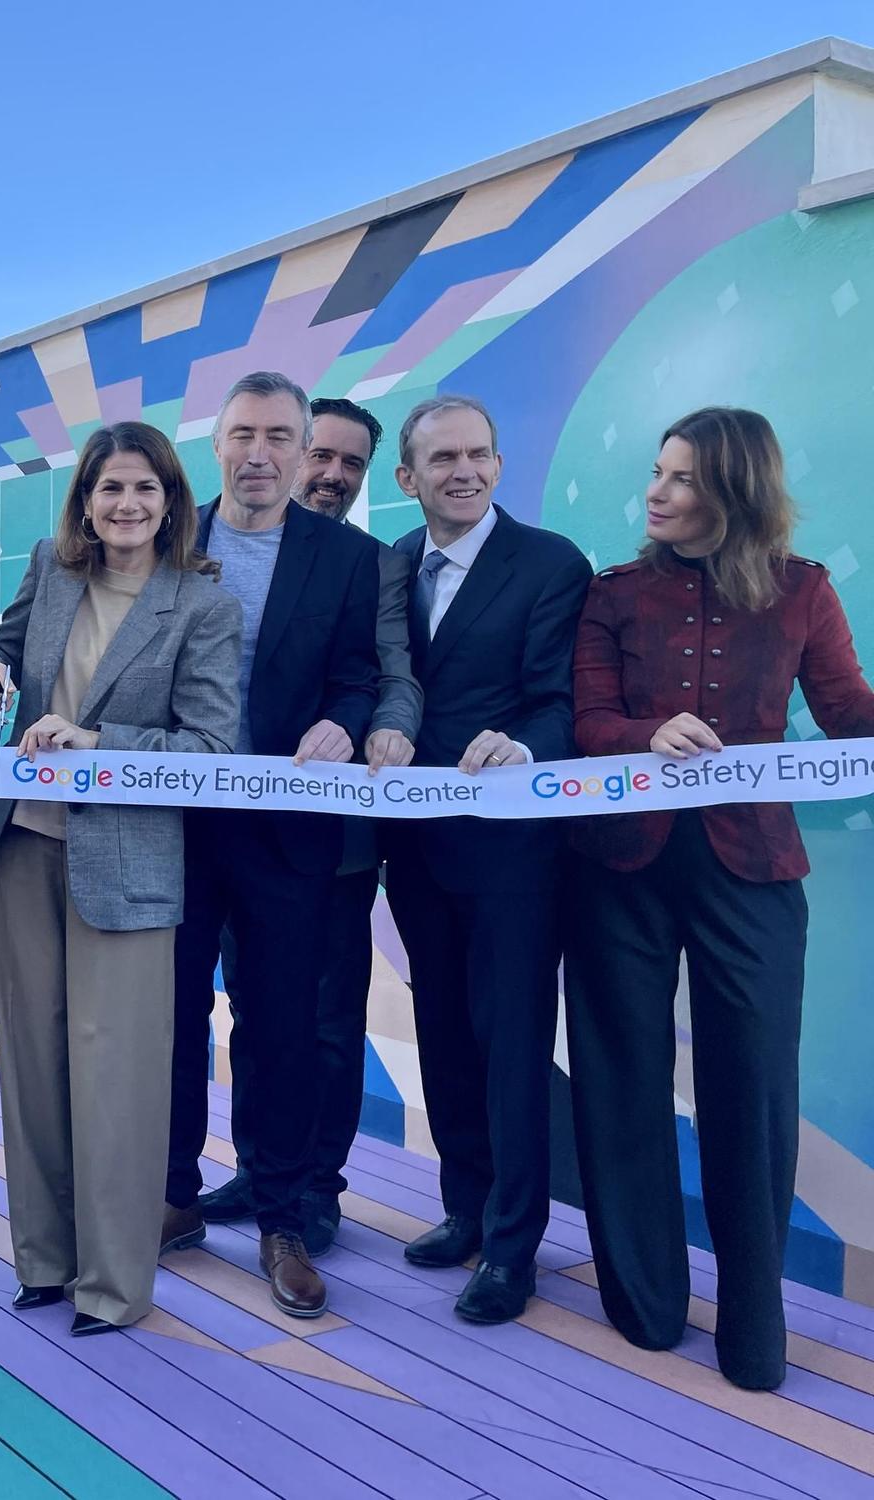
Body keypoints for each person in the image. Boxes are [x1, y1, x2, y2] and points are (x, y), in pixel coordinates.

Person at [565, 408, 874, 1390]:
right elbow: (586, 719)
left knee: (751, 1092)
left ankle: (752, 1325)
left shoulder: (799, 592)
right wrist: (641, 734)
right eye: (655, 472)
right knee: (620, 1081)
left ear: (731, 493)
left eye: (680, 479)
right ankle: (644, 1304)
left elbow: (846, 714)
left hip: (753, 872)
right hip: (621, 871)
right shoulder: (609, 594)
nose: (653, 493)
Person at [0, 421, 242, 1336]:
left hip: (128, 862)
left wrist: (97, 742)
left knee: (116, 1073)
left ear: (172, 501)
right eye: (109, 488)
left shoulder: (202, 603)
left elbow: (210, 747)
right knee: (33, 1067)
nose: (126, 505)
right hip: (22, 849)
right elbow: (5, 646)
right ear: (84, 498)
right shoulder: (53, 565)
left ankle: (113, 1286)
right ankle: (45, 1263)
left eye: (144, 489)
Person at [160, 374, 378, 1320]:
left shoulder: (349, 558)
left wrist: (342, 720)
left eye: (279, 435)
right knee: (168, 1017)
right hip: (174, 824)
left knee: (281, 1025)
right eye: (243, 433)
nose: (261, 452)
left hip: (290, 832)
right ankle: (170, 1196)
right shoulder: (169, 541)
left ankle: (282, 1212)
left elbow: (362, 674)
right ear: (217, 445)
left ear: (302, 449)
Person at [382, 394, 592, 1324]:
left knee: (509, 1044)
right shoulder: (388, 568)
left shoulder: (550, 564)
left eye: (479, 454)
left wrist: (521, 747)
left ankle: (513, 1249)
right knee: (445, 1036)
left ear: (499, 465)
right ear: (408, 478)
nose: (463, 471)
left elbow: (561, 704)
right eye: (442, 459)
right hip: (415, 851)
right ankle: (464, 1211)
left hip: (513, 854)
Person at [205, 397, 422, 1256]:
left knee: (322, 1023)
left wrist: (379, 726)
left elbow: (389, 674)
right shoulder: (193, 537)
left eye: (349, 465)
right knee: (252, 1013)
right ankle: (260, 1170)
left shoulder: (369, 563)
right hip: (210, 829)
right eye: (320, 455)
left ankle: (312, 1191)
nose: (330, 474)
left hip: (323, 836)